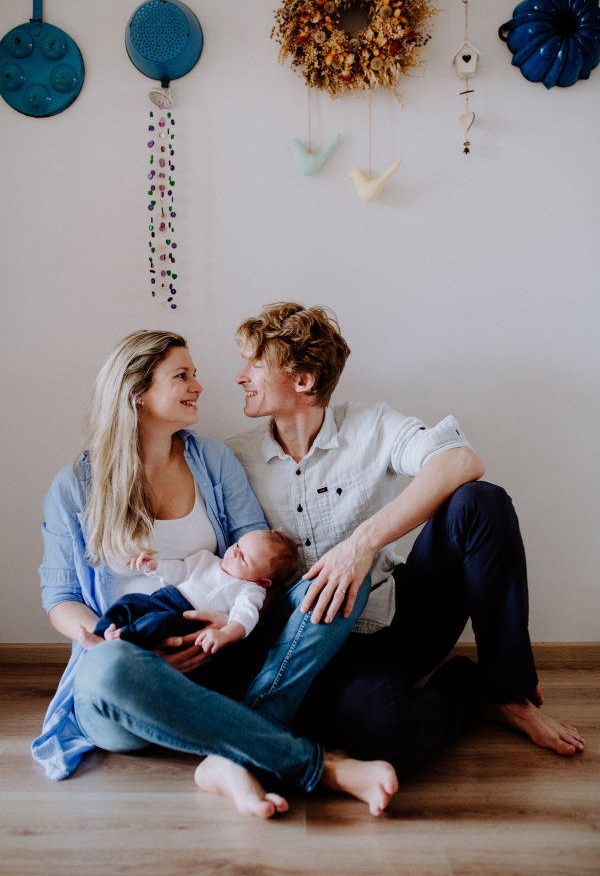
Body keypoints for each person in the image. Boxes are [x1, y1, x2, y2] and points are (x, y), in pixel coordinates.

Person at [201, 301, 583, 788]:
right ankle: (469, 690)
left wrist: (360, 545)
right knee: (386, 733)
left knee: (479, 503)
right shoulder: (235, 458)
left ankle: (509, 691)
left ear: (302, 379)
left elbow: (460, 461)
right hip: (318, 645)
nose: (239, 375)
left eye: (254, 362)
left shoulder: (370, 425)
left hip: (397, 613)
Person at [32, 328, 395, 818]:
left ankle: (228, 755)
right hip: (131, 672)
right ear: (136, 393)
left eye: (195, 375)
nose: (199, 386)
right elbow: (60, 597)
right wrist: (103, 639)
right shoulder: (75, 486)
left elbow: (260, 565)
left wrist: (231, 626)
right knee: (108, 669)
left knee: (348, 569)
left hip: (222, 655)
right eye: (182, 375)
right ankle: (315, 765)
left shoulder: (214, 462)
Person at [79, 529, 297, 653]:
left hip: (185, 619)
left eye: (244, 558)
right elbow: (181, 571)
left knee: (159, 623)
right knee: (128, 602)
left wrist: (224, 634)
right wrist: (156, 566)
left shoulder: (250, 590)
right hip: (164, 597)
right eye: (238, 545)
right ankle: (99, 636)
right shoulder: (208, 560)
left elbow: (245, 618)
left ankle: (120, 644)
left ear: (264, 581)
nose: (233, 553)